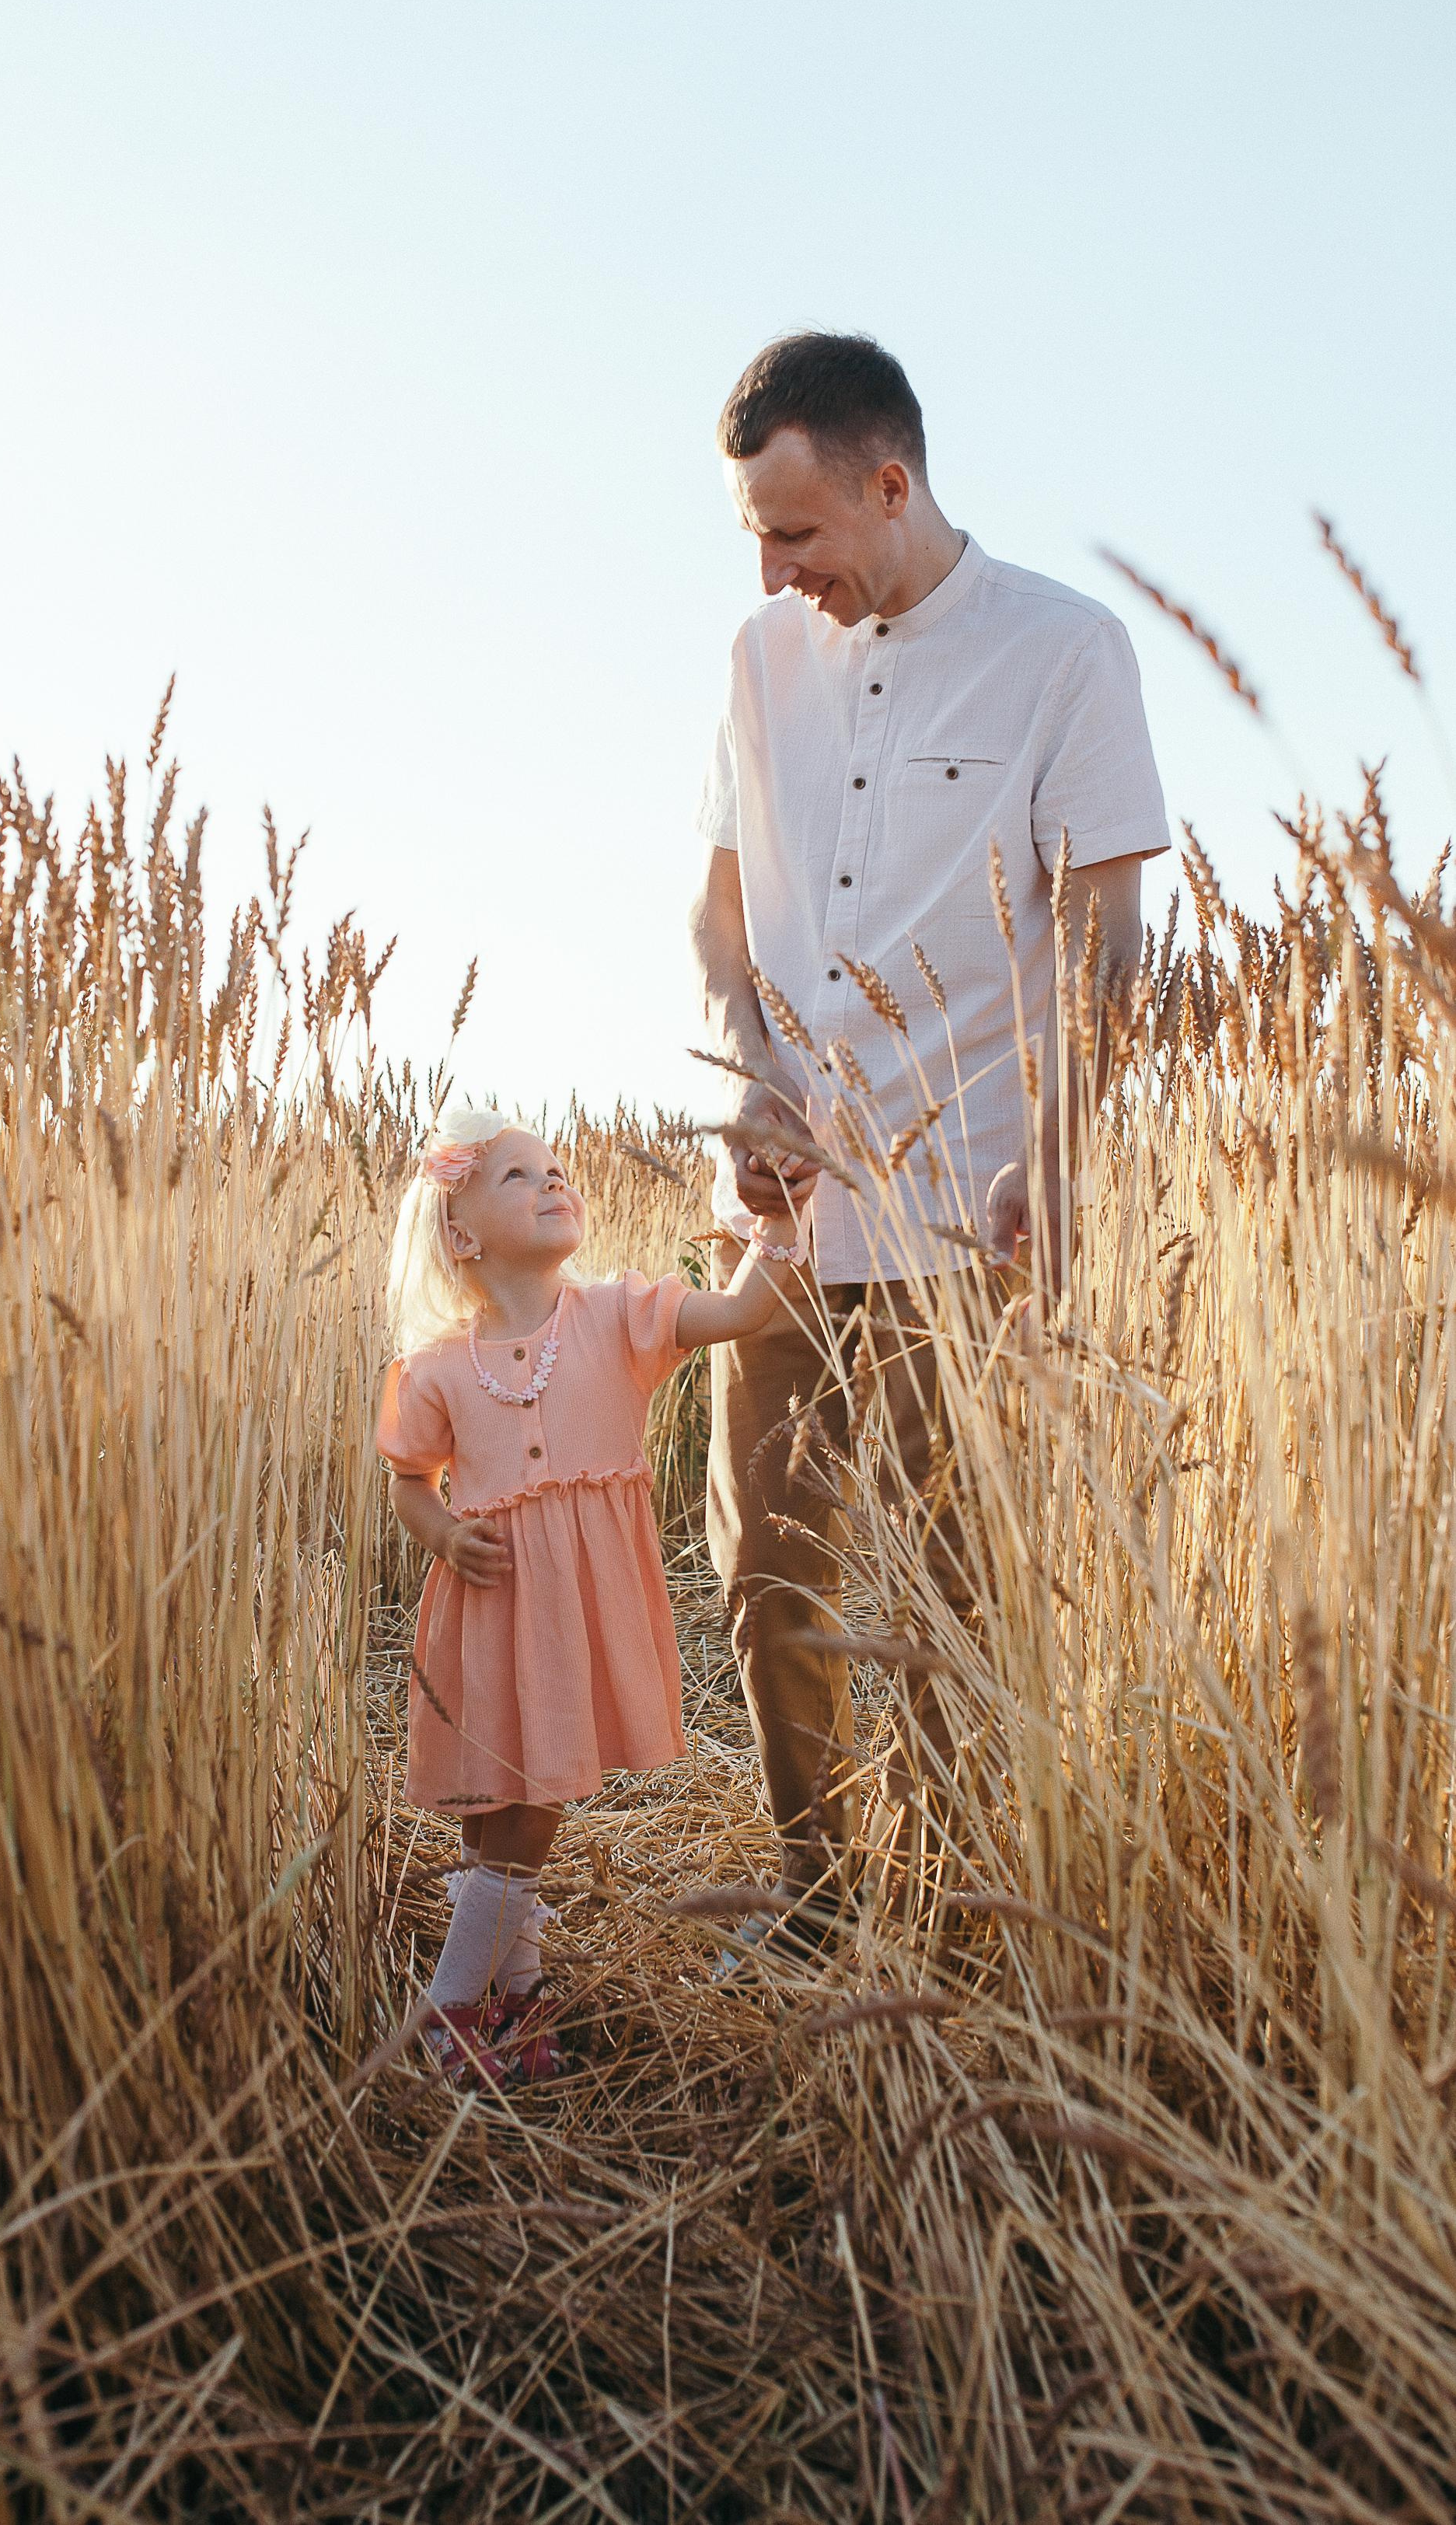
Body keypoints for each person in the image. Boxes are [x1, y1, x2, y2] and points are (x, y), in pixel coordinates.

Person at [691, 330, 1170, 1948]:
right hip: (774, 1219)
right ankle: (821, 1903)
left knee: (960, 1587)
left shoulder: (1065, 650)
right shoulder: (758, 661)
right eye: (755, 535)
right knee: (766, 1572)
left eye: (796, 530)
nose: (773, 568)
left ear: (888, 484)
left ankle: (969, 1916)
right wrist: (748, 1070)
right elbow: (712, 914)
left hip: (962, 1207)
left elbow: (1107, 934)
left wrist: (1061, 1142)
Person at [377, 1102, 799, 2085]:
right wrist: (442, 1530)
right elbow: (408, 1479)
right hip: (491, 1617)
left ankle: (469, 2005)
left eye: (556, 1166)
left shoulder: (615, 1315)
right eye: (518, 1175)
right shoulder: (440, 1366)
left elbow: (738, 1313)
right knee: (494, 1816)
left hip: (571, 1619)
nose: (552, 1180)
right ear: (462, 1233)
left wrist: (774, 1226)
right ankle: (483, 2005)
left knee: (527, 1815)